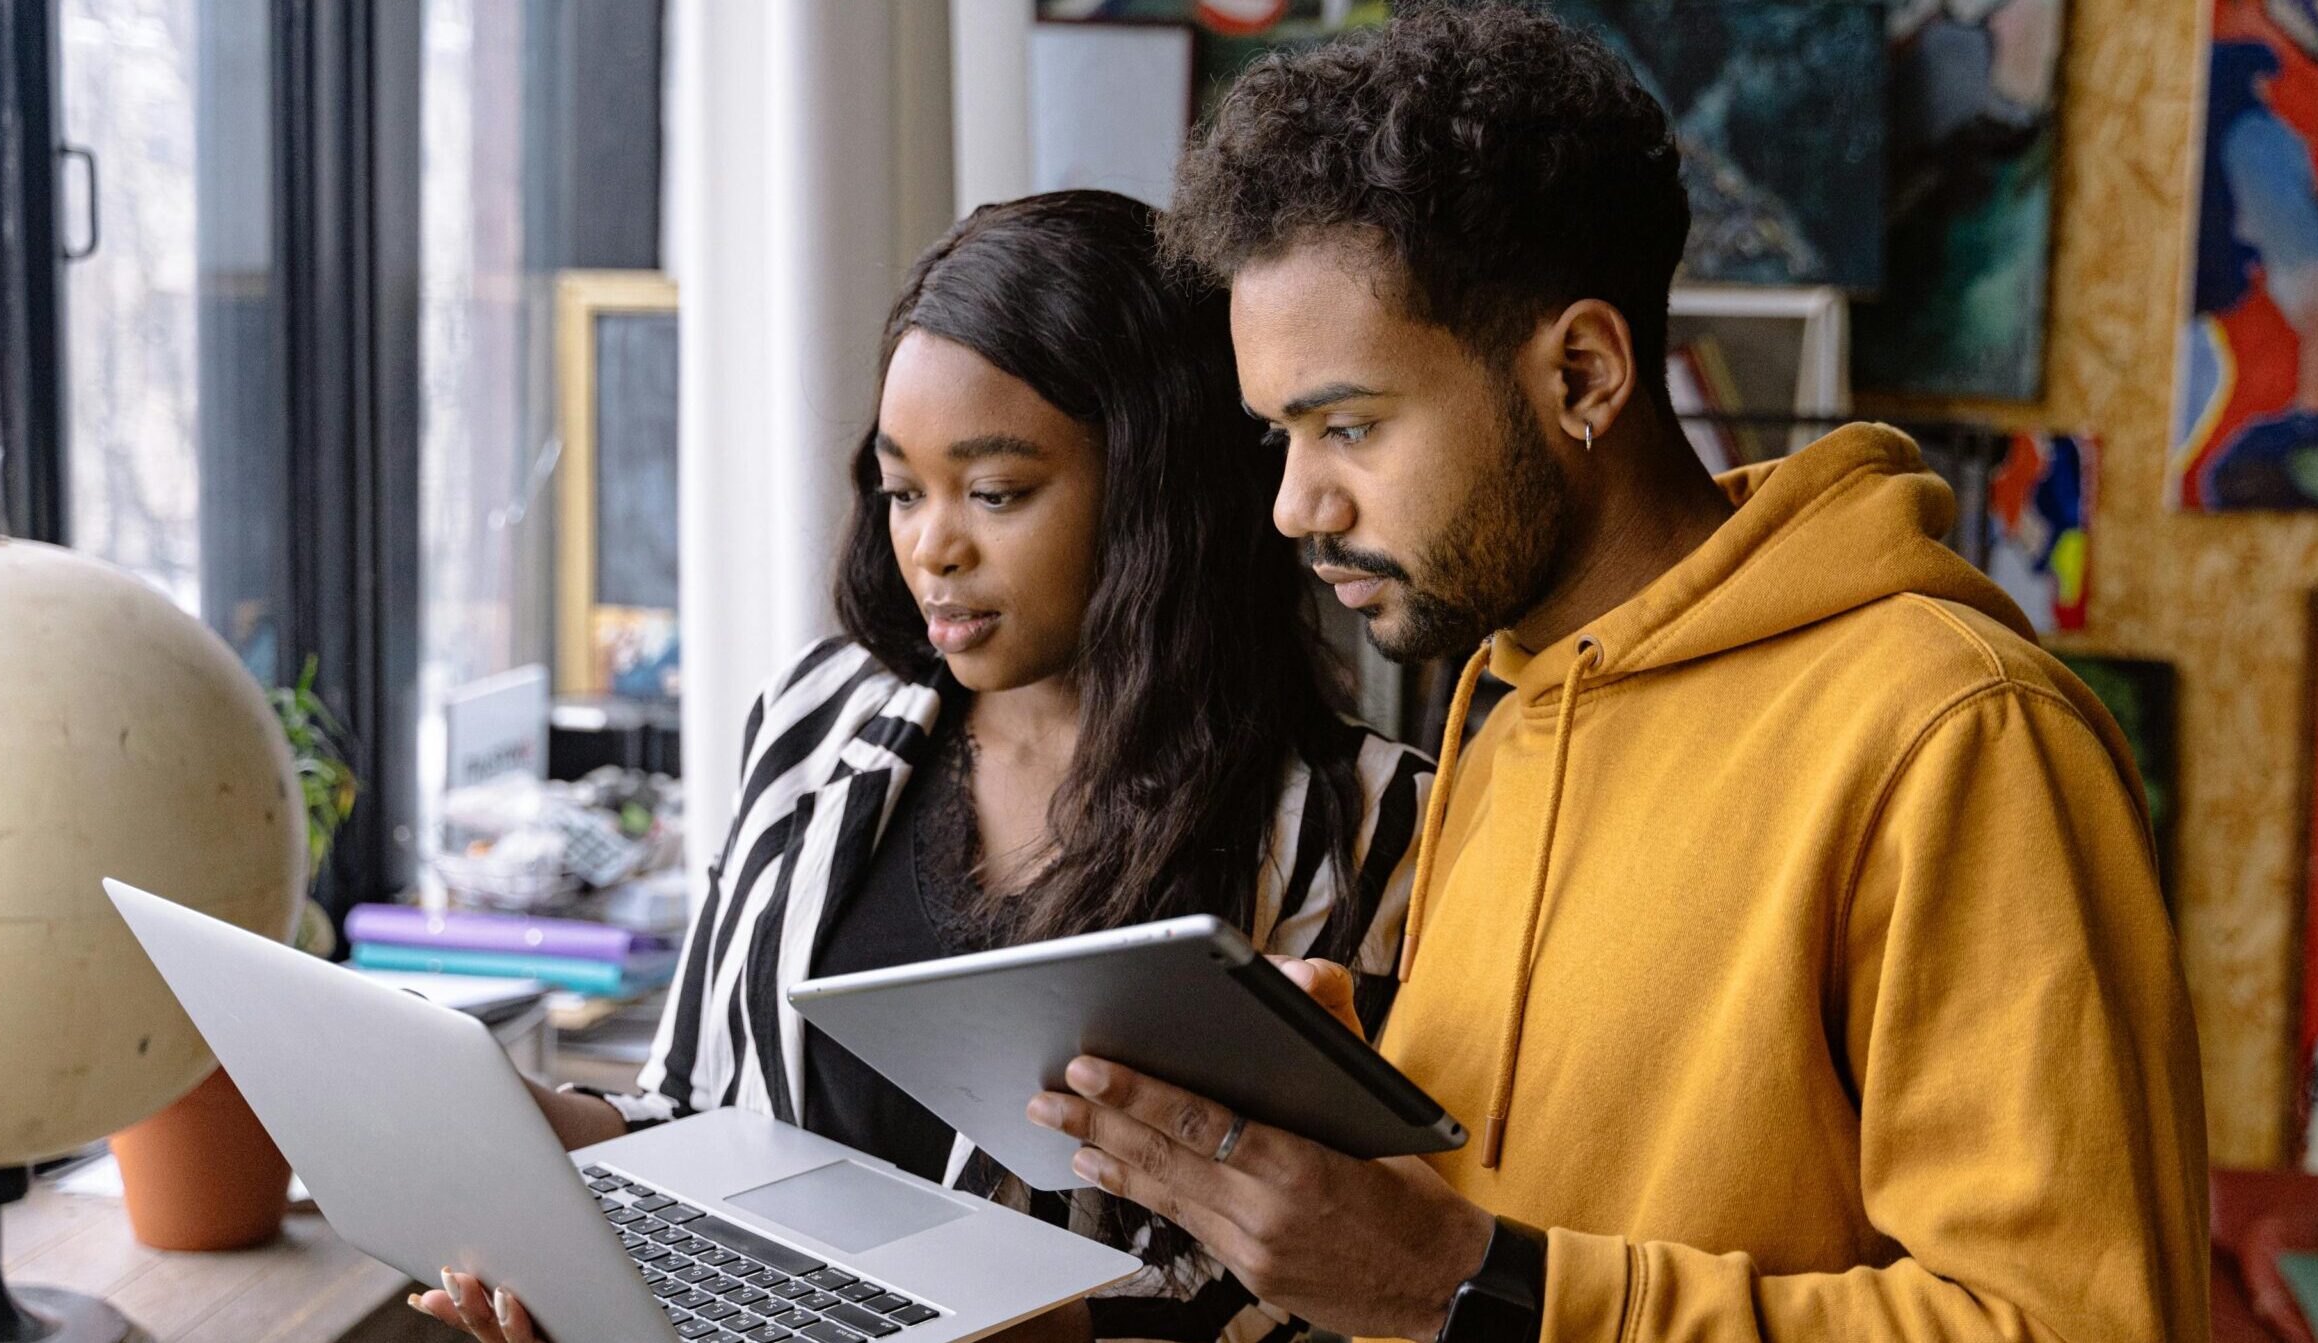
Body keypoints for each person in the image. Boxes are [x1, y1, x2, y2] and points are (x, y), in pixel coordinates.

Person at [1028, 7, 2212, 1341]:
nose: (1296, 504)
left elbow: (2072, 1322)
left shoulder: (1959, 733)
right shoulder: (1513, 696)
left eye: (1349, 425)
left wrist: (1469, 1284)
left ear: (1582, 373)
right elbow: (1587, 1158)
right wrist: (1363, 1071)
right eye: (1277, 438)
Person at [412, 189, 1432, 1343]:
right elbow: (696, 1117)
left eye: (994, 493)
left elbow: (1328, 1288)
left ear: (1163, 489)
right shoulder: (823, 717)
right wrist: (520, 1135)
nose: (931, 546)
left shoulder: (1364, 823)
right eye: (903, 490)